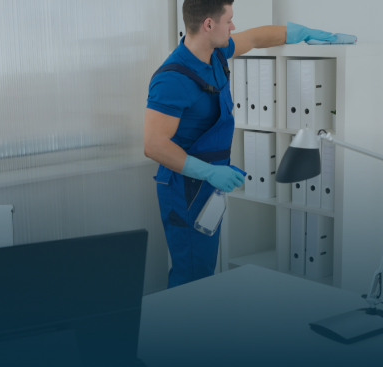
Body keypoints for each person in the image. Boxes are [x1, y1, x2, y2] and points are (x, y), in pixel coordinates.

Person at [144, 0, 340, 288]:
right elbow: (153, 145)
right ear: (209, 24)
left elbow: (255, 37)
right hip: (185, 189)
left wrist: (299, 33)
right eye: (229, 20)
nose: (233, 27)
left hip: (209, 182)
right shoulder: (171, 79)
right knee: (192, 278)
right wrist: (209, 172)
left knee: (203, 270)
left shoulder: (217, 53)